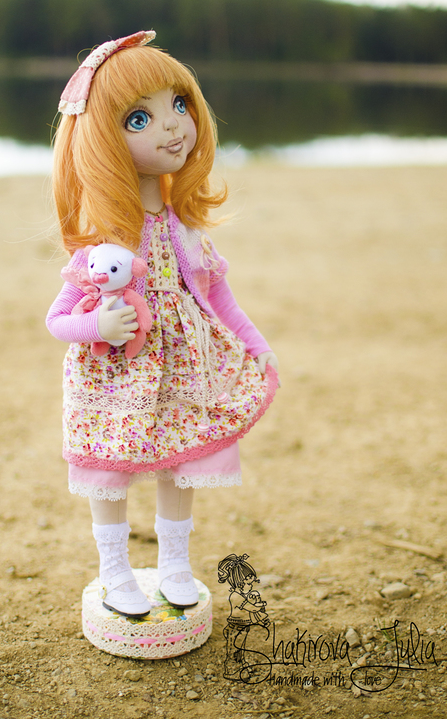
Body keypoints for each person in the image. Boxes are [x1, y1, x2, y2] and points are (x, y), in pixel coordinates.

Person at [46, 31, 279, 618]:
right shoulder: (107, 240)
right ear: (103, 141)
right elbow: (57, 319)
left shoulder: (184, 228)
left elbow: (218, 295)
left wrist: (255, 345)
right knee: (109, 469)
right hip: (114, 379)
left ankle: (175, 562)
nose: (173, 126)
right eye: (139, 119)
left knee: (183, 460)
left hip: (184, 371)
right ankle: (114, 569)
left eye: (179, 105)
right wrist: (98, 325)